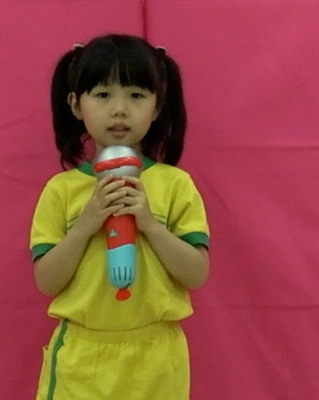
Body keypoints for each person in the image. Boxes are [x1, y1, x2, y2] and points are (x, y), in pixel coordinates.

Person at [30, 34, 210, 400]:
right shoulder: (61, 190)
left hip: (157, 359)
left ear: (157, 106)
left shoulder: (175, 185)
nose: (119, 110)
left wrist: (149, 224)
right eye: (103, 94)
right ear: (76, 105)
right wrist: (86, 224)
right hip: (83, 358)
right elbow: (47, 281)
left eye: (136, 95)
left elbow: (196, 273)